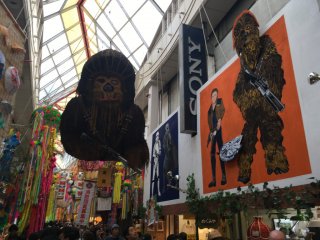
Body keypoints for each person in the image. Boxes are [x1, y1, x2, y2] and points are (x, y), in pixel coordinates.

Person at [232, 10, 288, 183]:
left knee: (271, 127)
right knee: (247, 137)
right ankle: (244, 169)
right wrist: (249, 100)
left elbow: (275, 78)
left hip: (267, 109)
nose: (246, 33)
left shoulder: (268, 52)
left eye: (249, 27)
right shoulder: (243, 68)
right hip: (251, 111)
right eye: (242, 31)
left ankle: (276, 160)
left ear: (255, 29)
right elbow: (237, 93)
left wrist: (257, 97)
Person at [207, 88, 227, 187]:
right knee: (212, 153)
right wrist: (211, 132)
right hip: (213, 132)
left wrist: (219, 119)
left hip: (218, 131)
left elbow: (223, 110)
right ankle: (214, 179)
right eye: (213, 95)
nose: (215, 97)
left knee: (221, 151)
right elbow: (209, 122)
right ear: (211, 97)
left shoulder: (219, 102)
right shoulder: (209, 110)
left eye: (216, 95)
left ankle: (224, 176)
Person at [162, 122, 178, 194]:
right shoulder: (165, 136)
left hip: (173, 153)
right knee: (165, 168)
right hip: (168, 154)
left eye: (169, 128)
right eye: (167, 128)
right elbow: (163, 145)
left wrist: (170, 136)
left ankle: (175, 183)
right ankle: (168, 183)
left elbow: (173, 143)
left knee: (175, 167)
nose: (168, 129)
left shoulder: (171, 134)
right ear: (165, 129)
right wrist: (166, 149)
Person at [151, 131, 161, 197]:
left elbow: (160, 151)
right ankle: (151, 194)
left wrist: (158, 154)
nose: (158, 137)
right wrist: (156, 155)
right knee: (153, 178)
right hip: (155, 162)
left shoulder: (159, 143)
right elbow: (153, 154)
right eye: (157, 136)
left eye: (158, 136)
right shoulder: (154, 144)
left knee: (158, 177)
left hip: (158, 161)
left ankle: (158, 191)